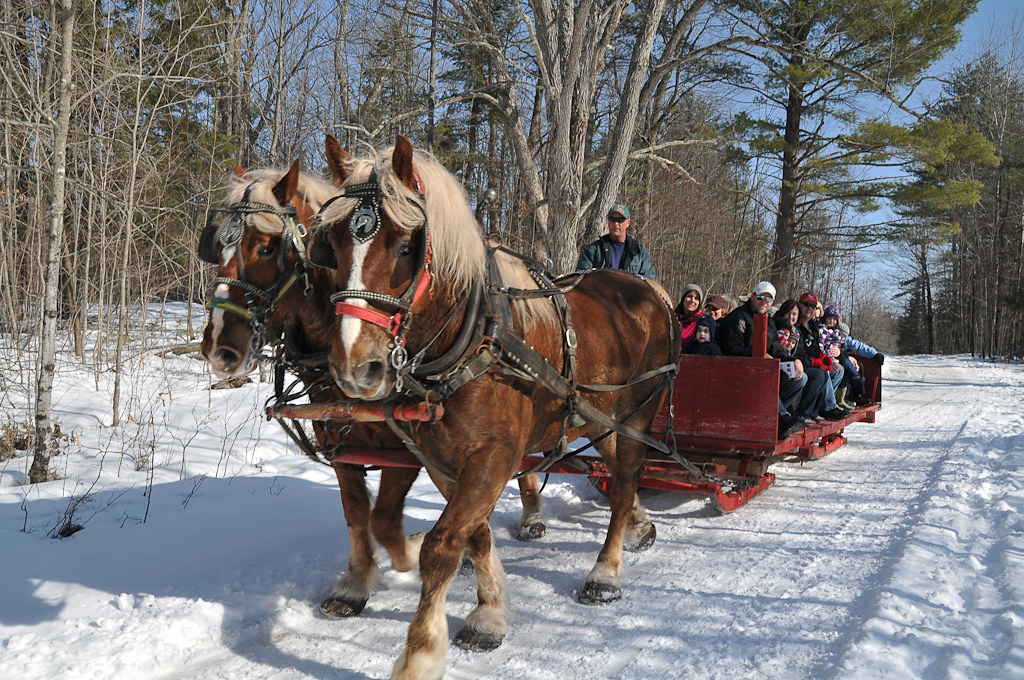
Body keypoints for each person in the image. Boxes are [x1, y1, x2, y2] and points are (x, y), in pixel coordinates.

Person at [795, 292, 847, 420]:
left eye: (813, 306)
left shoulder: (812, 327)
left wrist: (826, 360)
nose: (810, 309)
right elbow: (799, 351)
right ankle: (818, 409)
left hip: (810, 361)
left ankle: (819, 409)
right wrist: (817, 362)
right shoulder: (796, 324)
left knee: (838, 369)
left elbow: (817, 348)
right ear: (800, 305)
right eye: (806, 305)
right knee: (821, 373)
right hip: (800, 363)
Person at [576, 202, 656, 279]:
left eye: (620, 220)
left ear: (628, 222)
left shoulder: (639, 252)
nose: (616, 224)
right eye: (612, 219)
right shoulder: (593, 250)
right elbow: (581, 280)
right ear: (608, 221)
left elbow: (649, 283)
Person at [716, 281, 777, 357]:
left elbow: (776, 349)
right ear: (752, 296)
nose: (764, 302)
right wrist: (758, 355)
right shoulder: (737, 317)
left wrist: (794, 360)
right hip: (736, 365)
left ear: (773, 302)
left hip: (762, 366)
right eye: (760, 297)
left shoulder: (770, 322)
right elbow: (732, 349)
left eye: (768, 299)